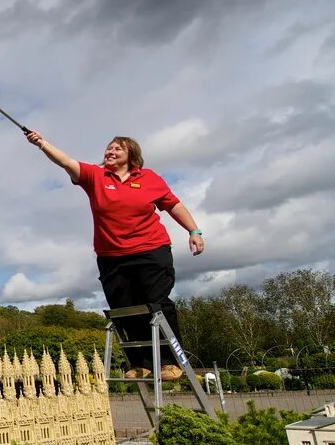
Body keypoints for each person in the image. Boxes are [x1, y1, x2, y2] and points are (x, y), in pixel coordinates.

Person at [27, 131, 204, 380]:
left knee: (156, 303)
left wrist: (193, 231)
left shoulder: (150, 178)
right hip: (111, 256)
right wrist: (42, 143)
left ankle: (169, 362)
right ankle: (140, 363)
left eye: (117, 149)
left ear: (132, 155)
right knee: (124, 308)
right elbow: (66, 162)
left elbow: (173, 205)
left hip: (151, 250)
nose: (110, 152)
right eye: (108, 148)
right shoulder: (96, 176)